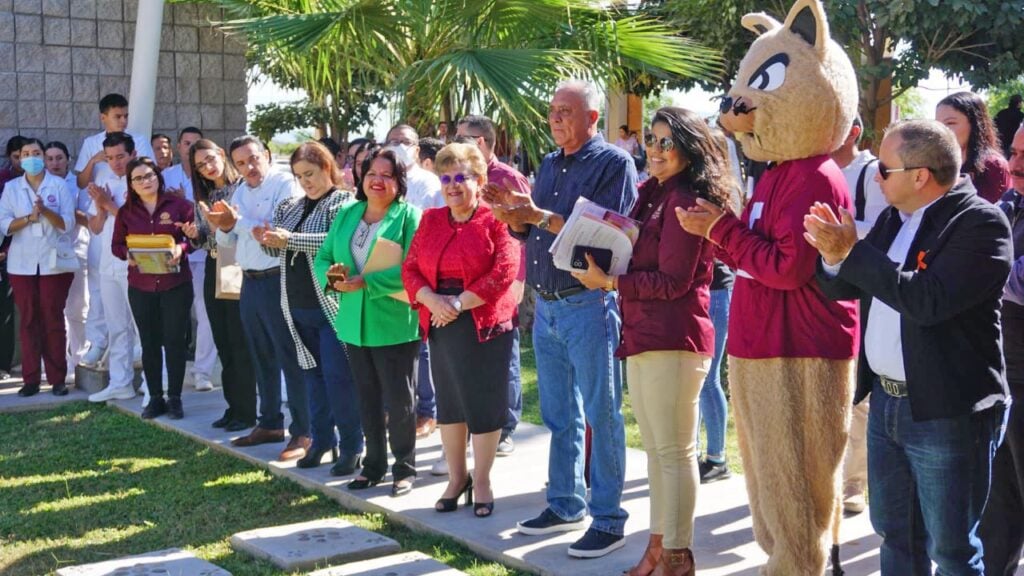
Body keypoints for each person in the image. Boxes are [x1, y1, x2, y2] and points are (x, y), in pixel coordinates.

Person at [808, 119, 1011, 576]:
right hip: (888, 405)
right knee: (896, 538)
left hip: (946, 411)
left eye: (885, 168)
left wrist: (854, 253)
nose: (876, 176)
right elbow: (847, 286)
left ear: (920, 175)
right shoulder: (893, 219)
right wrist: (832, 254)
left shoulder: (980, 223)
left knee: (952, 551)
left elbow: (927, 301)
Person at [485, 79, 636, 559]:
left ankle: (609, 519)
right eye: (552, 111)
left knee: (601, 414)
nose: (555, 119)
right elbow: (532, 226)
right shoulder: (549, 163)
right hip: (547, 303)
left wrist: (540, 215)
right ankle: (566, 502)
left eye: (566, 111)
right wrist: (511, 215)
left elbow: (610, 227)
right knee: (558, 414)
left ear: (593, 118)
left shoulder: (615, 163)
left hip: (588, 304)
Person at [572, 107, 724, 574]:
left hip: (674, 336)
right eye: (651, 141)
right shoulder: (652, 193)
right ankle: (659, 549)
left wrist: (613, 284)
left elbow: (676, 281)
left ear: (689, 149)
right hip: (643, 333)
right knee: (658, 454)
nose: (654, 151)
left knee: (675, 454)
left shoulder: (686, 199)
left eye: (665, 143)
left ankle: (677, 558)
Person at [403, 143, 519, 517]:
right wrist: (431, 299)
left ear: (480, 181)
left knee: (483, 403)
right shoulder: (431, 220)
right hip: (440, 321)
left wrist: (456, 303)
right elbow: (410, 268)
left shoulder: (496, 219)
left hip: (482, 321)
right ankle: (457, 478)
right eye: (446, 178)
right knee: (450, 404)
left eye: (461, 177)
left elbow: (504, 271)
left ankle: (482, 480)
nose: (452, 185)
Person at [314, 148, 422, 497]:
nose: (377, 180)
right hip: (352, 322)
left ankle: (404, 467)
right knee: (367, 397)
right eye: (371, 173)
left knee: (399, 400)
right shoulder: (348, 213)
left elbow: (414, 267)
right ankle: (373, 465)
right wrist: (335, 279)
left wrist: (368, 282)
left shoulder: (409, 217)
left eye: (387, 175)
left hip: (393, 322)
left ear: (400, 181)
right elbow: (324, 257)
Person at [254, 142, 365, 476]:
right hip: (297, 306)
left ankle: (351, 447)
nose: (306, 182)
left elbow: (335, 243)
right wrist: (268, 241)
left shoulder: (343, 202)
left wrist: (289, 240)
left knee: (338, 378)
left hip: (331, 305)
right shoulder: (289, 205)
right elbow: (279, 254)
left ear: (328, 168)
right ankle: (321, 441)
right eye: (300, 176)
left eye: (311, 174)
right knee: (312, 379)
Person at [206, 136, 311, 461]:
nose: (248, 167)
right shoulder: (240, 190)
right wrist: (221, 224)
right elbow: (227, 238)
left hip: (279, 278)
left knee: (290, 356)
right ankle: (269, 423)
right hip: (249, 280)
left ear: (266, 155)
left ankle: (303, 431)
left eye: (253, 159)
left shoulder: (284, 184)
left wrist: (237, 222)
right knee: (260, 353)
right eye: (240, 163)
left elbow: (275, 230)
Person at [456, 114, 531, 457]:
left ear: (482, 142)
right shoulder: (458, 176)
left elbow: (524, 231)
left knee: (505, 356)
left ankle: (506, 426)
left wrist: (517, 280)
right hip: (468, 283)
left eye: (462, 137)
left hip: (503, 280)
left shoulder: (507, 178)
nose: (453, 143)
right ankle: (479, 422)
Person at [829, 115, 885, 515]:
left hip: (861, 292)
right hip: (825, 289)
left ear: (852, 132)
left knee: (858, 393)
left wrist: (838, 231)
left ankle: (853, 485)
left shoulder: (869, 172)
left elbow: (885, 229)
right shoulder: (817, 170)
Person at [182, 139, 256, 431]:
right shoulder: (208, 194)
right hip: (214, 263)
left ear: (221, 155)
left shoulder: (242, 189)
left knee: (238, 340)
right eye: (200, 165)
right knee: (222, 337)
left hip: (237, 263)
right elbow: (203, 237)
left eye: (210, 159)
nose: (208, 167)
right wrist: (193, 233)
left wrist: (222, 226)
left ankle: (247, 410)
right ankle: (233, 406)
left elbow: (244, 228)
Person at [111, 157, 194, 419]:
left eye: (149, 175)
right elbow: (116, 246)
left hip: (175, 285)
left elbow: (195, 238)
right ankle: (155, 398)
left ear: (158, 176)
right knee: (149, 343)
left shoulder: (180, 206)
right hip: (141, 286)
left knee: (174, 342)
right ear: (131, 184)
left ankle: (176, 398)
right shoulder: (126, 212)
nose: (145, 181)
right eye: (138, 178)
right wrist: (129, 254)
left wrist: (181, 248)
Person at [0, 138, 76, 396]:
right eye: (25, 154)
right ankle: (31, 379)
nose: (30, 157)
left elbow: (67, 223)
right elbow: (5, 224)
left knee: (53, 319)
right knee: (28, 320)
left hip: (54, 263)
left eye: (35, 153)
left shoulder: (59, 185)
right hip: (21, 264)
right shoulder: (11, 188)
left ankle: (57, 379)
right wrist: (29, 218)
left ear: (43, 157)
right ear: (19, 159)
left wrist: (45, 212)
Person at [981, 124, 1024, 575]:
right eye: (1012, 152)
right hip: (1002, 375)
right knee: (997, 513)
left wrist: (980, 266)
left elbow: (1007, 279)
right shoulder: (1009, 206)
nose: (1014, 164)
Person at [385, 124, 443, 439]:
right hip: (388, 273)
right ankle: (397, 408)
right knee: (396, 344)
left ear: (417, 149)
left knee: (423, 347)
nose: (398, 146)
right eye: (392, 141)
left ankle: (427, 411)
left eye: (404, 142)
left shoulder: (429, 183)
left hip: (422, 274)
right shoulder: (385, 181)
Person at [83, 132, 142, 403]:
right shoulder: (103, 180)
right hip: (108, 262)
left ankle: (158, 384)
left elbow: (141, 223)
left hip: (136, 263)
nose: (115, 163)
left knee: (144, 327)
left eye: (120, 156)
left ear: (132, 154)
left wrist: (110, 204)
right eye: (109, 158)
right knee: (117, 326)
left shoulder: (143, 178)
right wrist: (101, 209)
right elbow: (95, 228)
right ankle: (121, 383)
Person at [162, 127, 217, 393]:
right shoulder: (165, 176)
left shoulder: (209, 179)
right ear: (178, 147)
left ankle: (202, 372)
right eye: (186, 143)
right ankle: (166, 374)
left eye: (196, 143)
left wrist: (187, 203)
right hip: (175, 255)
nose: (191, 148)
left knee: (206, 315)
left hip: (206, 255)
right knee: (173, 316)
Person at [44, 141, 92, 375]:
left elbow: (89, 220)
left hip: (77, 252)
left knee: (77, 309)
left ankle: (79, 361)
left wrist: (66, 214)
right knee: (51, 310)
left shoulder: (79, 186)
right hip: (45, 255)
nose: (55, 163)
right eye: (50, 158)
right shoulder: (37, 186)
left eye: (59, 158)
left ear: (68, 160)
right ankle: (55, 363)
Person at [937, 91, 1011, 204]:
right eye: (939, 125)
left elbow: (991, 215)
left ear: (975, 124)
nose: (942, 130)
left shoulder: (993, 165)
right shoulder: (938, 164)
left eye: (950, 123)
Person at [74, 93, 154, 191]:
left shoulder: (140, 141)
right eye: (118, 117)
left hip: (131, 202)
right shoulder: (90, 143)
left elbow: (150, 176)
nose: (123, 121)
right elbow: (81, 184)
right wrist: (93, 161)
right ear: (103, 118)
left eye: (126, 116)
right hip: (99, 203)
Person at [0, 136, 25, 381]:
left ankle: (9, 364)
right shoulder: (3, 181)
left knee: (11, 313)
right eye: (16, 157)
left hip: (16, 255)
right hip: (5, 250)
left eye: (25, 156)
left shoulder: (43, 182)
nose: (21, 161)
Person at [994, 94, 1023, 159]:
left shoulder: (1001, 113)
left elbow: (993, 127)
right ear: (1019, 103)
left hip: (1000, 146)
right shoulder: (1021, 116)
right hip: (1014, 148)